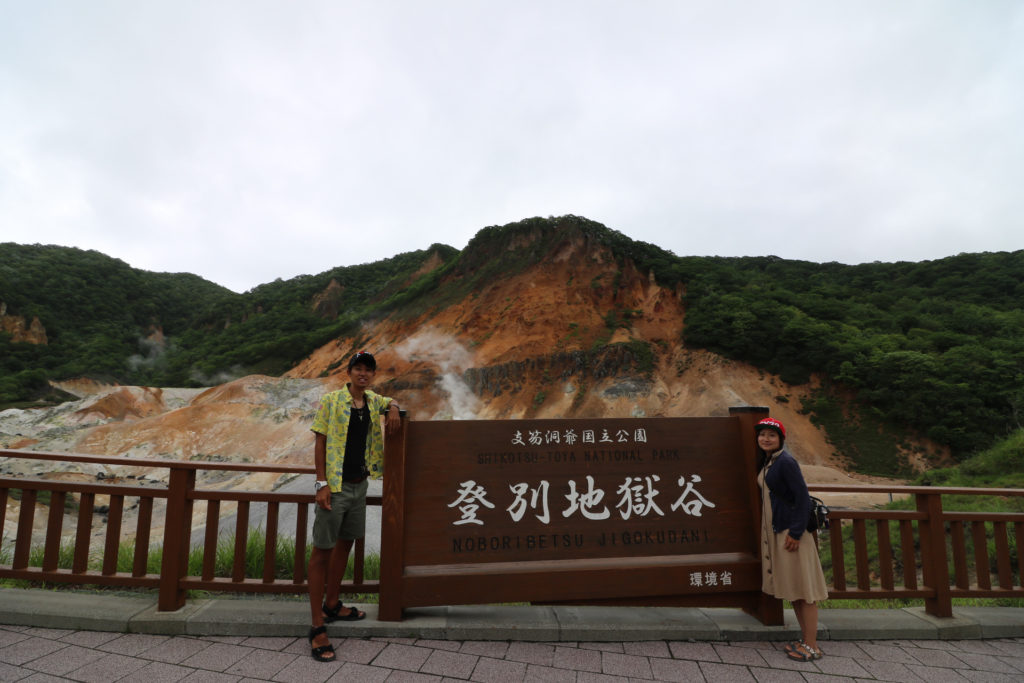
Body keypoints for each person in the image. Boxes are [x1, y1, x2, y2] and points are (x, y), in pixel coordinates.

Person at [307, 351, 401, 662]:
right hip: (334, 486)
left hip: (360, 484)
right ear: (349, 372)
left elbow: (388, 402)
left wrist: (396, 409)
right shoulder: (332, 401)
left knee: (345, 544)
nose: (363, 374)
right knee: (322, 550)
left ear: (373, 376)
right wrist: (321, 483)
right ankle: (317, 626)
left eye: (368, 370)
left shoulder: (373, 401)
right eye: (358, 369)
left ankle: (332, 603)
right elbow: (319, 441)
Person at [754, 417, 828, 662]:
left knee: (805, 591)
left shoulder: (785, 462)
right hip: (781, 534)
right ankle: (806, 640)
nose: (765, 438)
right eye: (762, 434)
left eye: (771, 435)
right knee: (796, 590)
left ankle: (813, 646)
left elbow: (802, 498)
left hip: (791, 535)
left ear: (781, 439)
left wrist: (796, 533)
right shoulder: (770, 462)